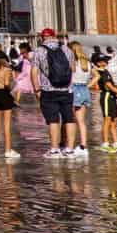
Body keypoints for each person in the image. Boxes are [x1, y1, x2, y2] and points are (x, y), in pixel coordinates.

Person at [33, 29, 82, 159]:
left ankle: (55, 150)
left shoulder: (39, 51)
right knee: (69, 118)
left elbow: (34, 72)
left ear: (42, 38)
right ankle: (70, 149)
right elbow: (73, 69)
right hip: (67, 90)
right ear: (54, 36)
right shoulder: (67, 49)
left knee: (53, 120)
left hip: (48, 90)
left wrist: (37, 90)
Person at [93, 51, 117, 153]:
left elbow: (113, 85)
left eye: (106, 60)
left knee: (114, 122)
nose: (106, 62)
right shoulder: (100, 72)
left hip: (112, 98)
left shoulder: (106, 71)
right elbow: (109, 87)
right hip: (106, 97)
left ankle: (116, 143)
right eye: (103, 60)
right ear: (97, 63)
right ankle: (105, 143)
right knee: (107, 120)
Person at [69, 42, 94, 154]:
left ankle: (70, 145)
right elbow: (97, 75)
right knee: (81, 121)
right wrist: (88, 85)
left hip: (74, 89)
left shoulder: (73, 62)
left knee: (72, 120)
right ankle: (83, 146)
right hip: (85, 90)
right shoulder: (87, 63)